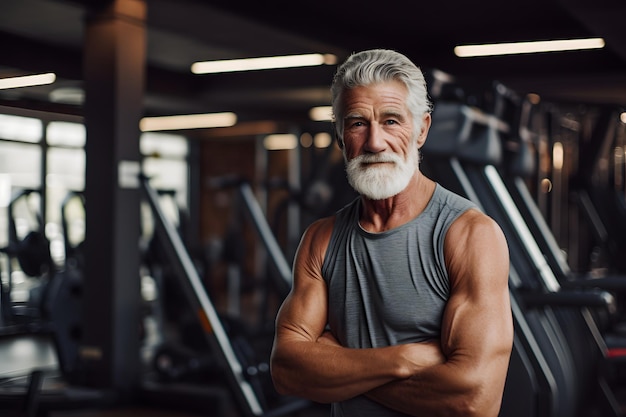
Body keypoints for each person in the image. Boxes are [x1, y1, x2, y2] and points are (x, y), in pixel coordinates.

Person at [269, 49, 513, 417]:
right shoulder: (320, 240)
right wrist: (401, 360)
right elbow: (287, 370)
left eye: (392, 121)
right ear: (339, 137)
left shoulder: (469, 235)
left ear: (422, 129)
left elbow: (473, 400)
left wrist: (337, 364)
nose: (374, 143)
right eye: (356, 123)